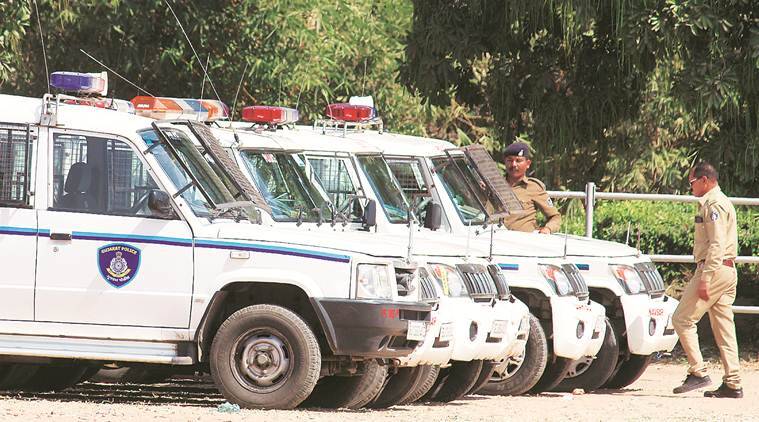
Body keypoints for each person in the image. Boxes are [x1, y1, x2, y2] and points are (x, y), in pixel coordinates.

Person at [672, 161, 742, 398]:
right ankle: (733, 382)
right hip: (727, 270)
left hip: (715, 269)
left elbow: (716, 244)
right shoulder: (720, 201)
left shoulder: (713, 204)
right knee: (724, 328)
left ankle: (698, 371)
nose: (690, 187)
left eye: (692, 182)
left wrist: (706, 278)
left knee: (682, 319)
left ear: (705, 180)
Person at [501, 142, 561, 234]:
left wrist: (547, 229)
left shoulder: (533, 188)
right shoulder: (494, 185)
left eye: (518, 161)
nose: (513, 164)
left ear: (528, 163)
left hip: (522, 240)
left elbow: (555, 216)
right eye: (510, 160)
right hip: (491, 238)